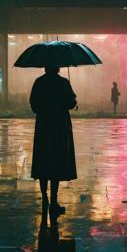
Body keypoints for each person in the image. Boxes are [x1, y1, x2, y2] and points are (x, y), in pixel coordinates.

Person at [30, 67, 77, 219]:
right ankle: (54, 201)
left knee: (43, 161)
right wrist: (73, 99)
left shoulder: (39, 82)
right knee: (56, 161)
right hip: (59, 126)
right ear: (58, 67)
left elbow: (34, 106)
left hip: (44, 126)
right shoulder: (63, 83)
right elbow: (70, 103)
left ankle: (45, 199)